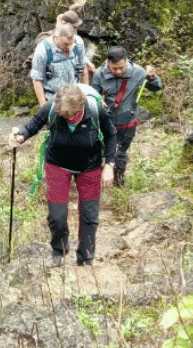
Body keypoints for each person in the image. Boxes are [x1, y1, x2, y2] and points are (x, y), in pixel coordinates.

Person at [7, 83, 117, 267]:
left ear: (81, 106)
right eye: (64, 116)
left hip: (90, 165)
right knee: (56, 215)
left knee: (89, 214)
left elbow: (111, 135)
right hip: (57, 164)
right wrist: (20, 136)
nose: (68, 119)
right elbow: (33, 125)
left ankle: (86, 257)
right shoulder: (51, 108)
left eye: (72, 115)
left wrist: (110, 165)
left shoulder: (95, 109)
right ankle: (59, 250)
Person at [91, 46, 163, 188]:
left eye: (121, 68)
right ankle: (97, 182)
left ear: (126, 60)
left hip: (128, 121)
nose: (118, 71)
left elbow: (157, 87)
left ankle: (118, 183)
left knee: (121, 153)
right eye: (114, 69)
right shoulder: (99, 74)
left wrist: (152, 77)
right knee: (100, 151)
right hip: (105, 122)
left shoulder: (138, 72)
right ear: (108, 62)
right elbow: (93, 96)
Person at [29, 20, 86, 106]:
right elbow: (37, 79)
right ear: (56, 37)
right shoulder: (42, 50)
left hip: (75, 97)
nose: (69, 47)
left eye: (71, 43)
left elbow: (83, 67)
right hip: (53, 98)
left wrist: (85, 93)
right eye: (65, 44)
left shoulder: (78, 43)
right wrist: (43, 104)